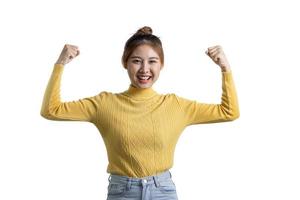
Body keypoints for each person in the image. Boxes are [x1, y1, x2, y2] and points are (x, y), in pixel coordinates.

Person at [40, 26, 239, 200]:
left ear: (161, 64)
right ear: (125, 63)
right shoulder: (105, 104)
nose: (145, 69)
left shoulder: (176, 106)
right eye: (136, 61)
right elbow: (51, 110)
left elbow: (229, 112)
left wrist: (225, 68)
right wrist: (60, 64)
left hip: (163, 191)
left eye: (152, 61)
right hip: (122, 192)